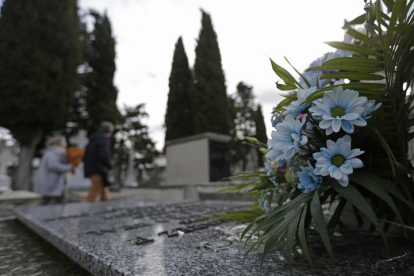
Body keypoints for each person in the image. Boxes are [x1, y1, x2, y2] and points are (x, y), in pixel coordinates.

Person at [33, 136, 75, 205]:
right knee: (51, 200)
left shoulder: (56, 152)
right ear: (57, 143)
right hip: (52, 182)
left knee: (52, 199)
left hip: (54, 182)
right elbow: (53, 165)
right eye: (64, 141)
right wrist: (69, 167)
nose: (66, 143)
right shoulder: (53, 153)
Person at [84, 121, 114, 201]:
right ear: (110, 131)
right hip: (98, 169)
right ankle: (85, 210)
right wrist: (109, 165)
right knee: (94, 192)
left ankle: (107, 206)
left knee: (104, 189)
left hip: (92, 168)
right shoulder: (103, 140)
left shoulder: (94, 139)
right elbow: (104, 155)